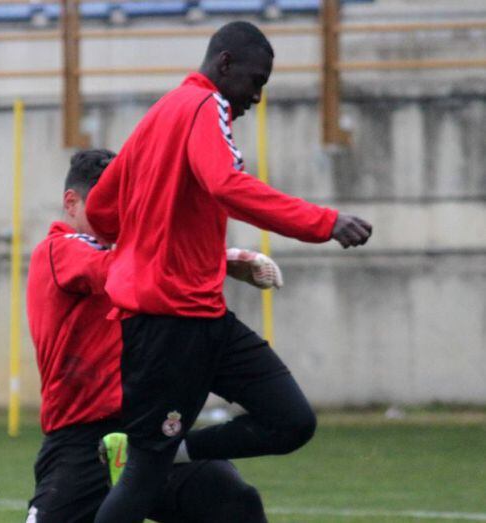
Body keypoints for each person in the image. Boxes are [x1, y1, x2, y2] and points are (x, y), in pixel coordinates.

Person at [85, 22, 373, 523]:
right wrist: (323, 221)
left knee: (291, 421)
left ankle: (172, 451)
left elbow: (103, 207)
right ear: (224, 66)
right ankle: (155, 454)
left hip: (203, 316)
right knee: (142, 476)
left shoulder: (159, 115)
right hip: (166, 324)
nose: (256, 97)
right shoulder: (204, 105)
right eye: (255, 81)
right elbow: (226, 185)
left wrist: (150, 246)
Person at [25, 149, 281, 523]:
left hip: (148, 430)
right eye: (107, 199)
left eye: (125, 198)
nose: (119, 210)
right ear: (72, 202)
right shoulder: (59, 249)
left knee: (234, 503)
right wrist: (221, 259)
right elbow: (119, 268)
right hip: (82, 439)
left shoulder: (137, 253)